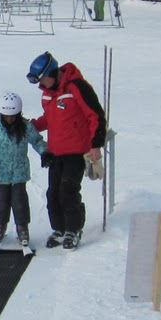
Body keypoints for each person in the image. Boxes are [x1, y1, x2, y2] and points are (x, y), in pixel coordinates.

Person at [27, 50, 106, 249]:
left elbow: (95, 115)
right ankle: (59, 229)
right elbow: (50, 119)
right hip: (56, 152)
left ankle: (74, 229)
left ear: (52, 73)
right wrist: (30, 126)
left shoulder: (77, 87)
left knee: (68, 190)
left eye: (42, 80)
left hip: (77, 152)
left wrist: (96, 144)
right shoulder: (47, 94)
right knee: (53, 193)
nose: (40, 85)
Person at [0, 91, 46, 253]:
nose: (10, 120)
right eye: (6, 116)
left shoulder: (26, 127)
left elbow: (37, 141)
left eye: (13, 116)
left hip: (19, 174)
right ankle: (0, 226)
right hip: (1, 174)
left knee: (20, 201)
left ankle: (22, 227)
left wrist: (45, 152)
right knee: (1, 201)